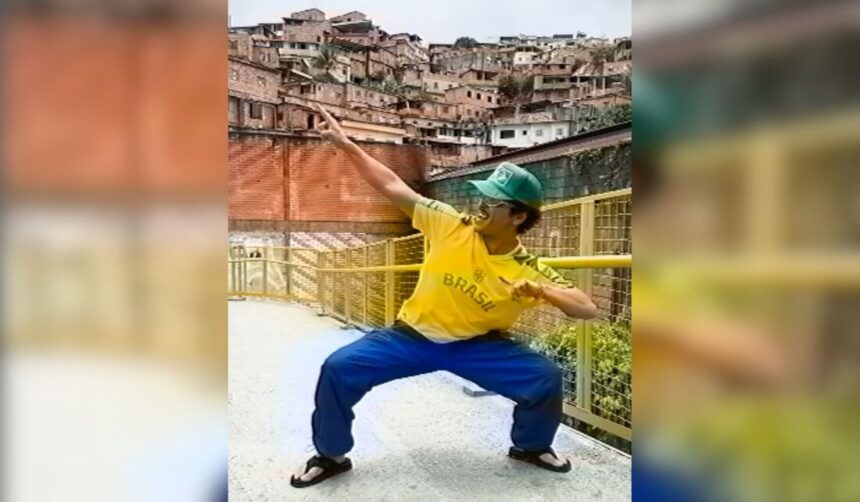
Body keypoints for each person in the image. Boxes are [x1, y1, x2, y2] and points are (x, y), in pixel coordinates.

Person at [291, 104, 598, 488]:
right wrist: (346, 144)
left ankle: (531, 447)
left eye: (492, 203)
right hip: (411, 337)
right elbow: (392, 184)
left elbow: (587, 308)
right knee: (338, 368)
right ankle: (330, 455)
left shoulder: (528, 268)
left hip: (477, 347)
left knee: (545, 377)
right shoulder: (451, 224)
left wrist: (543, 290)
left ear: (518, 217)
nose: (480, 207)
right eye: (482, 198)